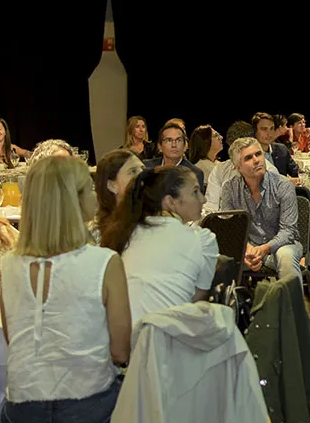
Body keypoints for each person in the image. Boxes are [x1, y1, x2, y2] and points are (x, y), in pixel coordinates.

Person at [0, 156, 131, 423]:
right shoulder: (103, 263)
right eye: (88, 188)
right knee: (144, 397)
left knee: (69, 418)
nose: (94, 193)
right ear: (74, 200)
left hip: (20, 413)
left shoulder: (8, 265)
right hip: (86, 409)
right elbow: (121, 352)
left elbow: (15, 338)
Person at [102, 167, 218, 326]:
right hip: (169, 337)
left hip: (120, 336)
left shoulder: (125, 233)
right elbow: (196, 301)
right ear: (171, 201)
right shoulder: (203, 240)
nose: (203, 199)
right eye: (195, 192)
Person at [219, 137, 301, 280]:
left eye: (258, 154)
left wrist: (263, 250)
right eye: (248, 158)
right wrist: (247, 249)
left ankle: (291, 302)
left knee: (286, 257)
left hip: (281, 244)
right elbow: (228, 229)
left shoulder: (283, 185)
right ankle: (231, 301)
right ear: (237, 167)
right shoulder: (230, 188)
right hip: (247, 247)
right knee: (218, 259)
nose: (256, 160)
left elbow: (289, 231)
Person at [205, 121, 279, 213]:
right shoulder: (219, 170)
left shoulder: (270, 171)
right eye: (233, 150)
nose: (236, 155)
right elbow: (211, 205)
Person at [90, 150, 144, 244]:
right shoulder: (96, 233)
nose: (142, 175)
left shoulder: (158, 219)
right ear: (112, 186)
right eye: (133, 171)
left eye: (143, 169)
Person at [144, 122, 206, 191]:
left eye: (178, 140)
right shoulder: (147, 167)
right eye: (169, 140)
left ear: (185, 146)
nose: (174, 145)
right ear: (159, 146)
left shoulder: (195, 173)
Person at [252, 112, 299, 179]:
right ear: (255, 132)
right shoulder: (250, 155)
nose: (269, 133)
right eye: (264, 129)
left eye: (271, 129)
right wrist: (286, 181)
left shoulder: (281, 149)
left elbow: (296, 172)